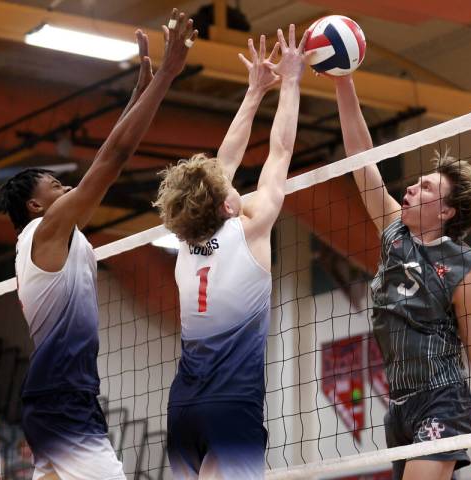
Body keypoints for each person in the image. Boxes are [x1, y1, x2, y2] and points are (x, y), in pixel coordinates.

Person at [0, 8, 197, 480]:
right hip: (63, 401)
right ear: (33, 206)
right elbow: (114, 157)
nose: (64, 186)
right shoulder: (44, 232)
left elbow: (112, 150)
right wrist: (167, 74)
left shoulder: (55, 238)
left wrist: (139, 91)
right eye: (52, 183)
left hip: (62, 397)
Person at [332, 74, 471, 479]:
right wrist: (343, 81)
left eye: (425, 188)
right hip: (399, 407)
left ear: (445, 212)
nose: (410, 187)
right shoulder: (393, 231)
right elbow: (360, 157)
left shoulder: (462, 267)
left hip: (443, 399)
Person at [155, 26, 307, 479]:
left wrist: (256, 90)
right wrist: (292, 81)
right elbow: (279, 152)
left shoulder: (185, 243)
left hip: (183, 409)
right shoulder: (252, 226)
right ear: (226, 204)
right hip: (231, 407)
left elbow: (222, 165)